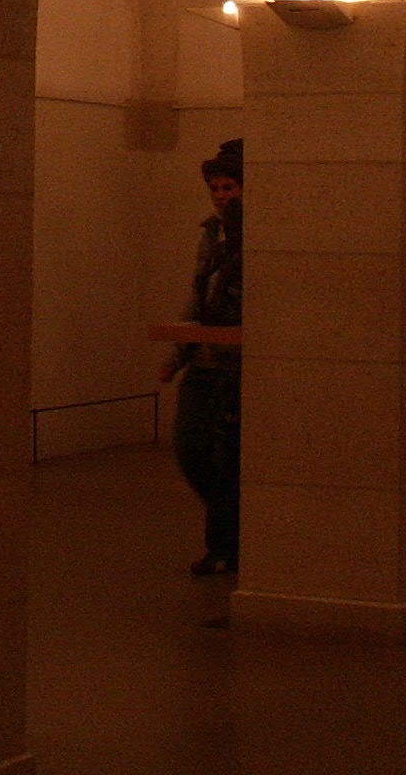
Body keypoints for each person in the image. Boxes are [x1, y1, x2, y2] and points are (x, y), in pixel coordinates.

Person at [160, 138, 242, 576]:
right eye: (215, 188)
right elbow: (197, 297)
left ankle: (223, 546)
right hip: (205, 361)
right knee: (191, 447)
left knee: (229, 459)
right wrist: (177, 355)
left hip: (238, 365)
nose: (220, 196)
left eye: (229, 187)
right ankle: (233, 525)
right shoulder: (210, 234)